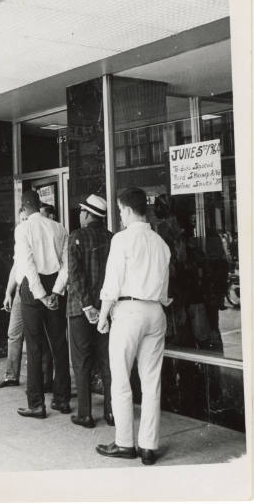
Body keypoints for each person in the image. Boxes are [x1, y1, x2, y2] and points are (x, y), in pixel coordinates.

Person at [96, 187, 171, 465]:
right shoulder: (161, 244)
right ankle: (148, 446)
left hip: (128, 312)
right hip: (155, 311)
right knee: (152, 382)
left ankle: (124, 442)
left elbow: (112, 283)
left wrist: (103, 316)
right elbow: (164, 290)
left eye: (119, 211)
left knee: (121, 379)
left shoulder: (122, 240)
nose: (120, 216)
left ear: (127, 210)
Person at [15, 190, 71, 418]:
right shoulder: (59, 228)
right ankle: (62, 399)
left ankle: (36, 404)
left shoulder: (22, 229)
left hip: (33, 289)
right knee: (59, 345)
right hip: (55, 285)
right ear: (39, 204)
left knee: (35, 347)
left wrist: (40, 295)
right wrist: (55, 292)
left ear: (24, 206)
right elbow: (66, 266)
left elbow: (28, 266)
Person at [0, 207, 54, 390]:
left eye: (26, 218)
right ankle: (11, 375)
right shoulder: (21, 239)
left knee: (40, 336)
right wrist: (8, 293)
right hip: (20, 290)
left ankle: (44, 380)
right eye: (21, 219)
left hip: (36, 289)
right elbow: (15, 268)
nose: (24, 222)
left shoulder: (39, 238)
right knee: (14, 333)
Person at [67, 194, 114, 428]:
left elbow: (75, 276)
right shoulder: (112, 238)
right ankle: (112, 411)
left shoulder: (76, 236)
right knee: (108, 362)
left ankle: (85, 414)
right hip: (107, 311)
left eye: (81, 212)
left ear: (87, 214)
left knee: (81, 362)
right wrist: (100, 309)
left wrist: (87, 306)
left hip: (79, 311)